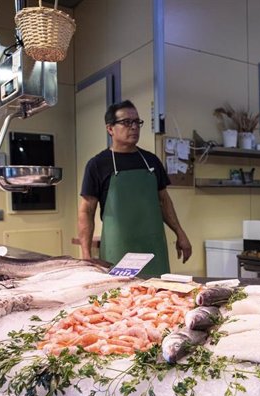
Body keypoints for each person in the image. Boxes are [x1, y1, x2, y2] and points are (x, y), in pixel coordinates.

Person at [78, 100, 192, 275]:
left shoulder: (151, 161)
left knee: (158, 297)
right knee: (121, 298)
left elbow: (164, 201)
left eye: (137, 122)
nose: (134, 127)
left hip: (153, 249)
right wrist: (85, 254)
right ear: (110, 129)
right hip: (117, 251)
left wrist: (180, 233)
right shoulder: (97, 165)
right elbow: (86, 210)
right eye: (126, 122)